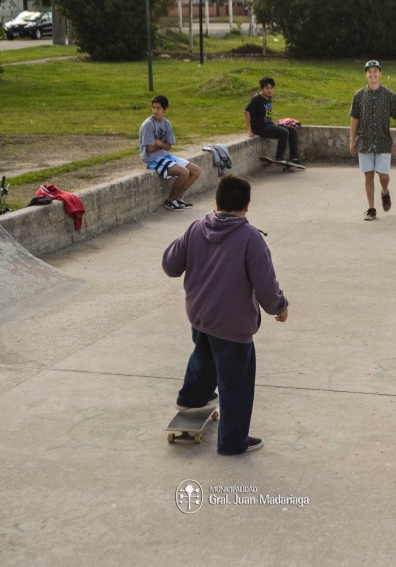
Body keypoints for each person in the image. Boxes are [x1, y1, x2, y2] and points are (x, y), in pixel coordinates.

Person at [162, 175, 289, 455]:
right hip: (232, 324)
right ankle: (232, 441)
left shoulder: (196, 228)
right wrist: (279, 307)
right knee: (236, 384)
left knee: (204, 356)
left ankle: (192, 398)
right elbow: (265, 284)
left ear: (216, 201)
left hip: (200, 314)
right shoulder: (250, 238)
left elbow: (170, 265)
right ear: (247, 206)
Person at [349, 60, 396, 221]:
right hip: (364, 141)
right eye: (369, 71)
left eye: (375, 71)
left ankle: (385, 191)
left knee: (383, 175)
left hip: (383, 141)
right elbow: (354, 118)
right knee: (368, 175)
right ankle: (371, 208)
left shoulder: (389, 95)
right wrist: (352, 140)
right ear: (366, 75)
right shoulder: (359, 96)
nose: (372, 74)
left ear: (380, 73)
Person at [139, 94, 201, 211]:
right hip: (152, 159)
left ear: (165, 109)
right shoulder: (148, 125)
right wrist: (163, 145)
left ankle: (178, 198)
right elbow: (150, 149)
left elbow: (169, 146)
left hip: (165, 156)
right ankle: (170, 200)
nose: (155, 111)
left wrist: (159, 143)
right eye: (153, 108)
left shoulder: (167, 124)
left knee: (196, 171)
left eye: (158, 108)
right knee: (184, 172)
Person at [244, 77, 301, 166]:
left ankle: (294, 158)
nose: (269, 90)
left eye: (271, 88)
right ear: (261, 88)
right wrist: (249, 130)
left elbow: (268, 115)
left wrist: (275, 125)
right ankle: (279, 157)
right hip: (260, 127)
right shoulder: (256, 99)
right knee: (284, 132)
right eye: (267, 88)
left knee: (292, 130)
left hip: (269, 124)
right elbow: (246, 112)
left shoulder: (269, 98)